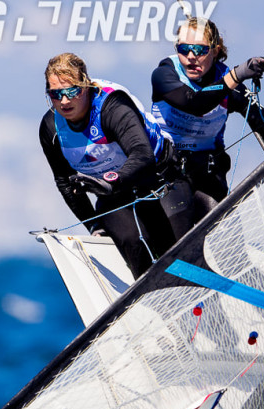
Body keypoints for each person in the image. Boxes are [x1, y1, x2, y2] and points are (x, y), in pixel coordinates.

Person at [39, 53, 195, 279]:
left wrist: (112, 182)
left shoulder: (112, 108)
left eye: (71, 91)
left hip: (160, 178)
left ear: (85, 86)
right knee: (134, 245)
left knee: (178, 252)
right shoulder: (50, 128)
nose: (63, 101)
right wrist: (94, 225)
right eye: (55, 94)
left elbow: (142, 155)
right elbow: (64, 181)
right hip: (114, 194)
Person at [151, 17, 264, 214]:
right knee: (180, 220)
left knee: (224, 226)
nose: (190, 56)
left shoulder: (231, 85)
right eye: (183, 49)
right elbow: (194, 103)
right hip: (167, 169)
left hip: (207, 172)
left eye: (199, 50)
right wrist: (236, 75)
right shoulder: (165, 74)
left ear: (215, 51)